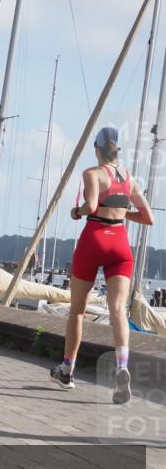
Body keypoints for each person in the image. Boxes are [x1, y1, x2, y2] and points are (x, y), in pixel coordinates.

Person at [50, 127, 153, 403]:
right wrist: (122, 213)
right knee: (118, 309)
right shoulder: (129, 178)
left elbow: (91, 205)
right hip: (120, 242)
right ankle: (121, 366)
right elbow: (148, 217)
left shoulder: (92, 173)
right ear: (116, 149)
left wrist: (76, 211)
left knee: (78, 310)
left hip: (94, 238)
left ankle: (67, 370)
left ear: (97, 148)